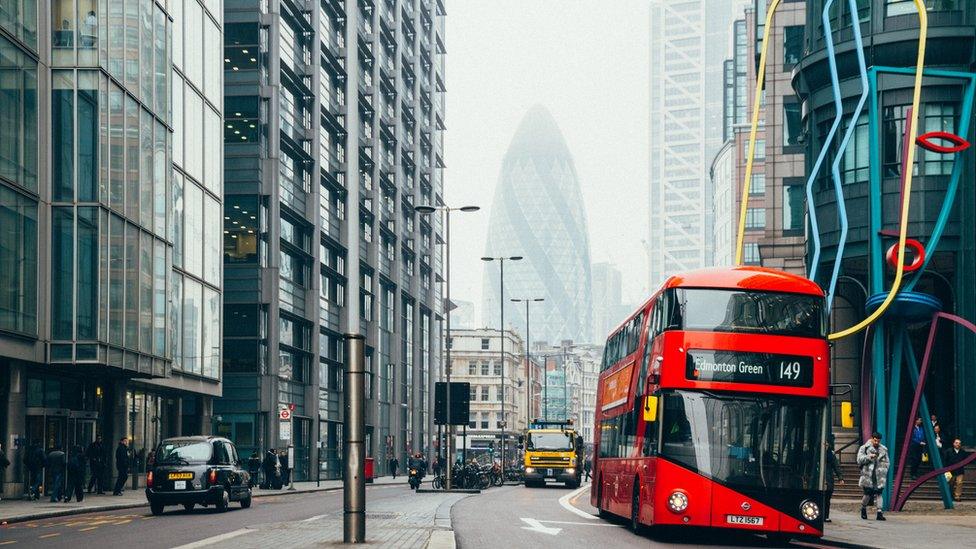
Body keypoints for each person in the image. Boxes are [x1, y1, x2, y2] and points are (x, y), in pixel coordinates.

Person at [857, 432, 889, 521]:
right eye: (875, 440)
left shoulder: (883, 449)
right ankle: (863, 508)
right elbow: (859, 460)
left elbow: (887, 462)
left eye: (878, 441)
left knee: (879, 493)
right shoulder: (864, 448)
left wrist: (884, 469)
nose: (876, 442)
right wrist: (869, 457)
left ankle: (879, 513)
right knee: (867, 494)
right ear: (872, 438)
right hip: (868, 475)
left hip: (879, 475)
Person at [824, 437, 843, 522]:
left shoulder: (831, 454)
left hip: (828, 478)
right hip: (820, 478)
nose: (826, 446)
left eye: (827, 444)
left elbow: (836, 466)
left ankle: (826, 516)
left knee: (827, 499)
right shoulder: (816, 452)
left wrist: (840, 477)